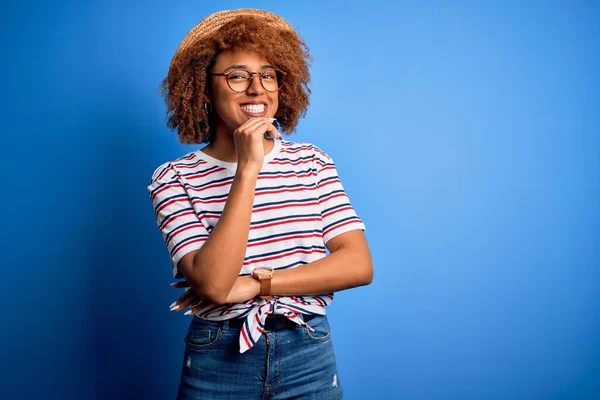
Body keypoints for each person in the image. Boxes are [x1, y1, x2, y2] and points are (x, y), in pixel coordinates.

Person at [146, 8, 373, 400]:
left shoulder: (311, 162)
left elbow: (357, 264)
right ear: (204, 86)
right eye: (237, 75)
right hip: (217, 358)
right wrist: (248, 167)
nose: (257, 88)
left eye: (268, 74)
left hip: (308, 350)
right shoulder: (173, 177)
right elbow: (215, 285)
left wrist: (256, 283)